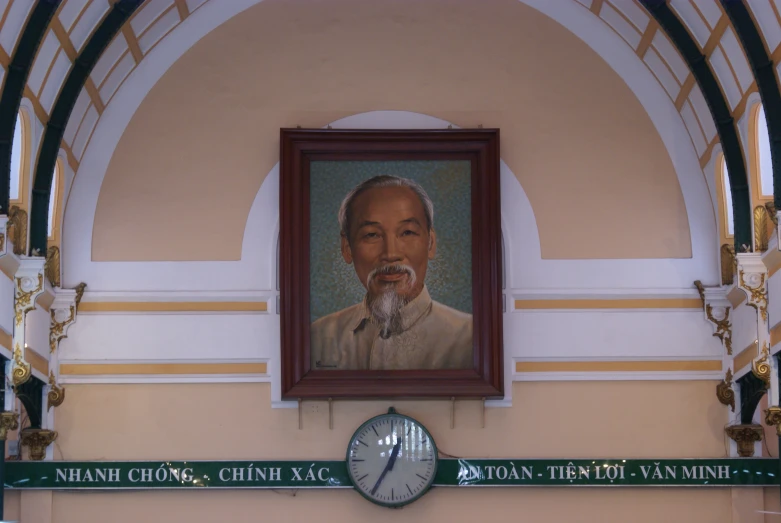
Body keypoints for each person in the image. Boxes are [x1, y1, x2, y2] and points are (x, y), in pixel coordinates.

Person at [310, 174, 473, 370]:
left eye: (407, 232)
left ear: (430, 243)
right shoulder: (318, 337)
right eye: (372, 235)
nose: (391, 254)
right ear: (346, 247)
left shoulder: (470, 337)